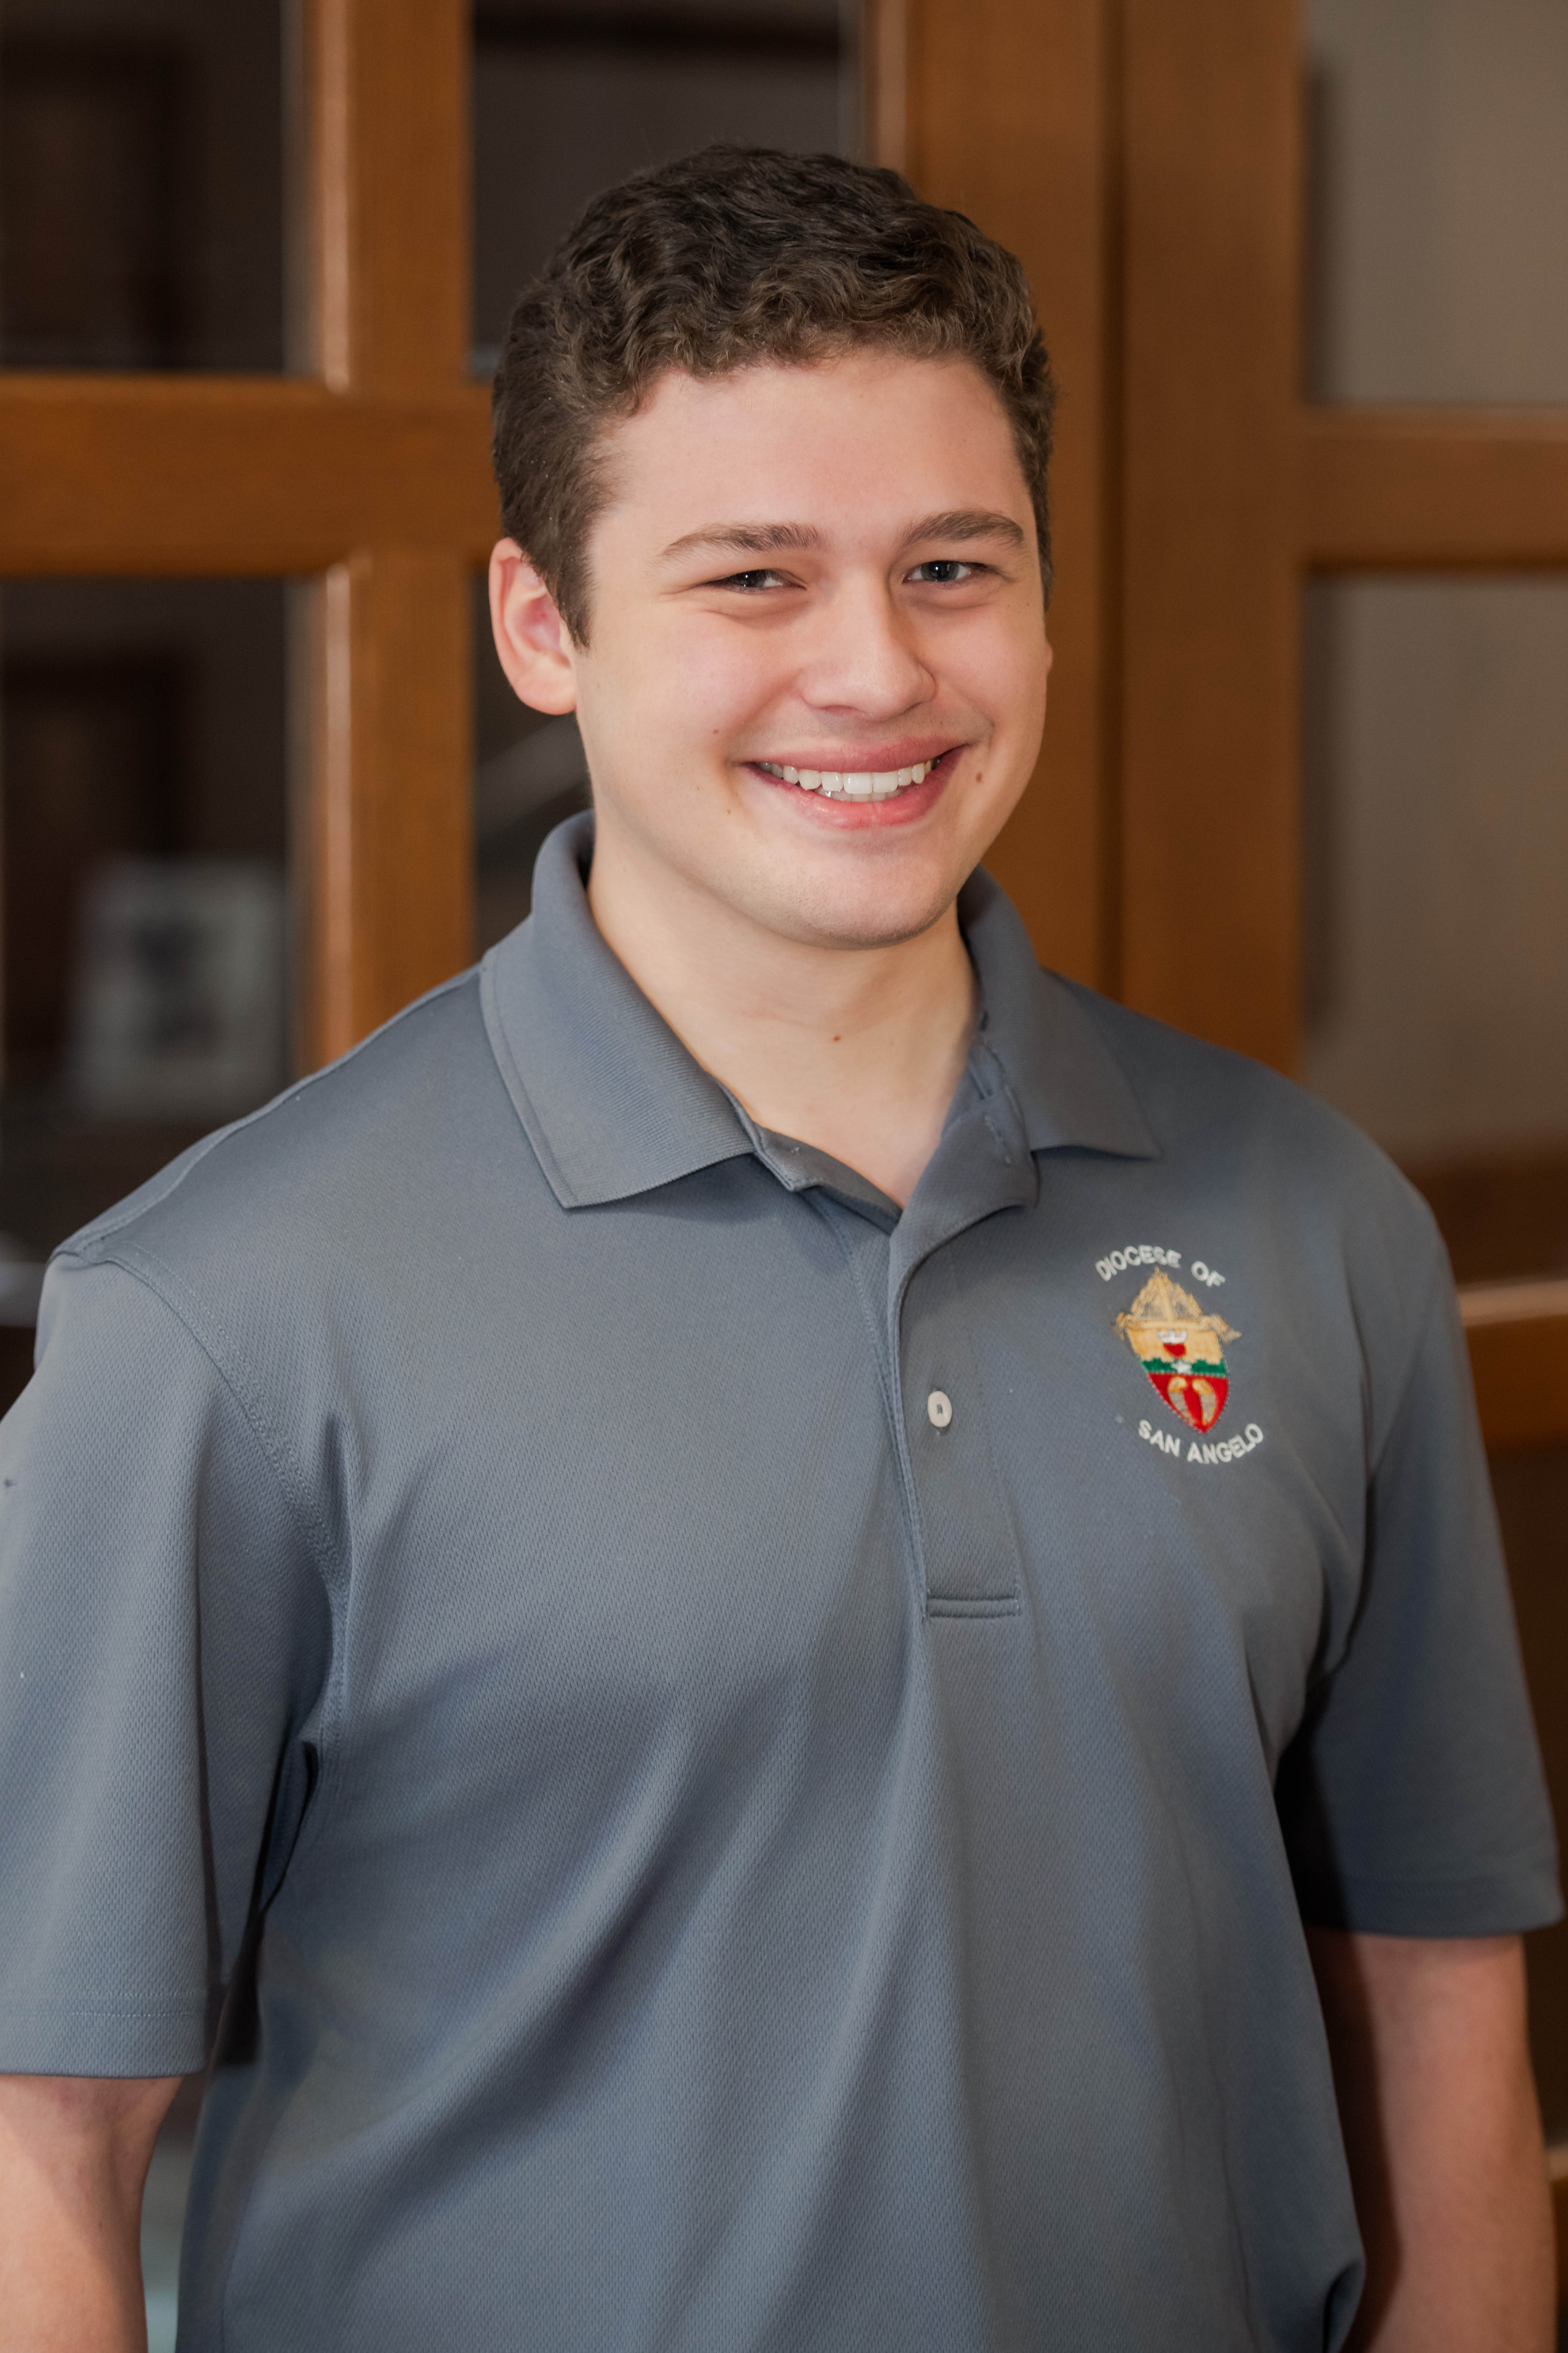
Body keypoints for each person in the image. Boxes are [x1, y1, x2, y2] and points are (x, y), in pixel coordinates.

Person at [0, 145, 1556, 2353]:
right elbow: (42, 2151)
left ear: (1040, 600)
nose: (878, 671)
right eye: (753, 576)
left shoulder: (1314, 1224)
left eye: (951, 565)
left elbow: (1439, 2014)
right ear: (544, 627)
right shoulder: (218, 1316)